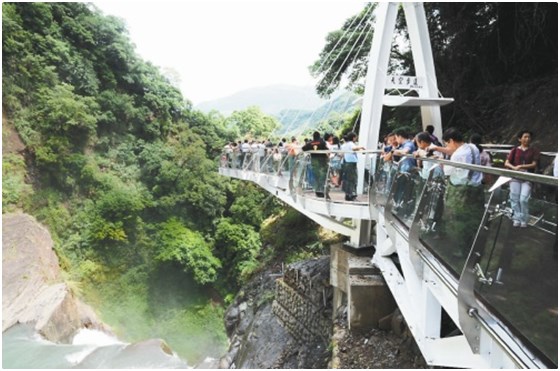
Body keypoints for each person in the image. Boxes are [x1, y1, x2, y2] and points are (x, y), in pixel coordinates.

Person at [441, 127, 484, 259]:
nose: (447, 146)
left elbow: (447, 171)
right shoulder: (473, 147)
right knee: (473, 219)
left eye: (447, 143)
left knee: (459, 219)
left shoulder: (458, 155)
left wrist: (441, 162)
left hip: (461, 191)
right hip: (476, 188)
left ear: (452, 141)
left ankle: (461, 250)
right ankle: (473, 248)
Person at [504, 130, 540, 228]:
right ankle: (517, 218)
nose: (527, 139)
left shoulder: (534, 150)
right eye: (525, 137)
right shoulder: (514, 150)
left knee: (523, 199)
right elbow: (506, 163)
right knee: (514, 198)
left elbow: (534, 164)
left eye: (529, 137)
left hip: (527, 177)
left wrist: (521, 166)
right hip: (515, 176)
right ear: (520, 139)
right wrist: (514, 168)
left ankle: (524, 219)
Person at [302, 131, 329, 197]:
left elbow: (303, 148)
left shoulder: (310, 143)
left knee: (316, 176)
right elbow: (327, 150)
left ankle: (317, 191)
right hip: (322, 161)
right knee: (323, 176)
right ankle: (322, 191)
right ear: (319, 136)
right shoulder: (322, 142)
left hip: (314, 161)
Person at [341, 131, 365, 201]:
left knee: (347, 179)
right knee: (353, 179)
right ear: (353, 137)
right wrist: (361, 147)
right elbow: (354, 148)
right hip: (351, 163)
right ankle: (352, 194)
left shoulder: (345, 144)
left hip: (346, 162)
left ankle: (347, 194)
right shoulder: (351, 144)